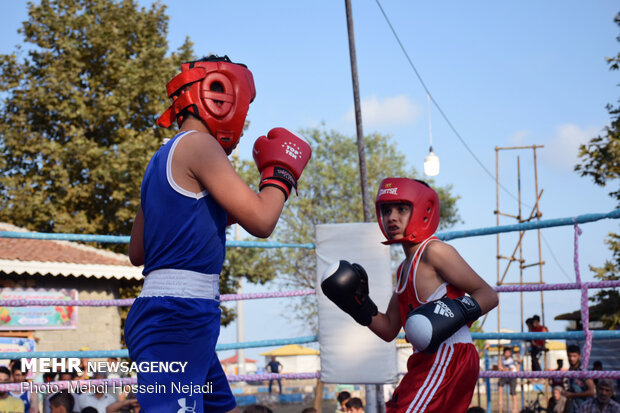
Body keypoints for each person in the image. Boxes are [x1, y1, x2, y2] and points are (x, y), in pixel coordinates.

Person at [124, 54, 311, 413]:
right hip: (178, 316)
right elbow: (261, 220)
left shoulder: (160, 159)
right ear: (220, 95)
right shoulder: (200, 145)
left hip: (171, 313)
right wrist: (281, 173)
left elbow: (138, 252)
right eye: (245, 105)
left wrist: (210, 216)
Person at [321, 178, 499, 413]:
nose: (392, 217)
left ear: (424, 210)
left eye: (401, 209)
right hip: (425, 361)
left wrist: (449, 313)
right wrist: (358, 305)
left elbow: (488, 295)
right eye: (386, 210)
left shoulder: (435, 252)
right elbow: (388, 329)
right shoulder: (404, 268)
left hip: (449, 355)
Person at [563, 345, 595, 413]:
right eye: (569, 356)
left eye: (574, 356)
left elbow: (592, 392)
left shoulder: (583, 371)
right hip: (574, 407)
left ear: (579, 356)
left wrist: (572, 395)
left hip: (585, 408)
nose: (571, 358)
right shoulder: (570, 371)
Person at [498, 347, 520, 413]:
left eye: (508, 352)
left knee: (513, 391)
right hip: (505, 376)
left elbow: (517, 367)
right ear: (504, 353)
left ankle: (515, 408)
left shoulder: (513, 359)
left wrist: (515, 370)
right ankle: (500, 402)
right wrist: (504, 369)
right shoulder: (502, 360)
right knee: (500, 384)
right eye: (506, 352)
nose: (507, 354)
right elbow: (500, 367)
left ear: (510, 353)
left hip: (512, 376)